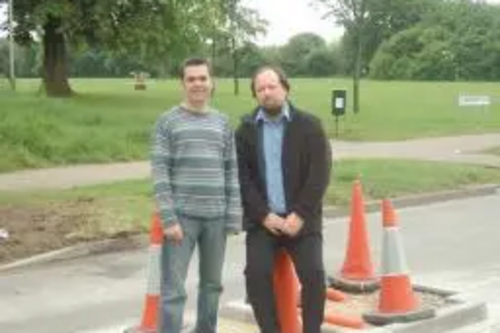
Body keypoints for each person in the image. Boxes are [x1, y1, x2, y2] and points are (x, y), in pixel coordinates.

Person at [235, 66, 332, 333]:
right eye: (260, 89)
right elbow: (243, 180)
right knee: (255, 274)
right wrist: (264, 216)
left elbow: (319, 174)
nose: (267, 93)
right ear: (255, 95)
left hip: (302, 221)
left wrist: (299, 214)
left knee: (314, 276)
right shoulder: (245, 130)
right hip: (264, 221)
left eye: (272, 86)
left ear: (285, 88)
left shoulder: (309, 126)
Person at [151, 57, 242, 333]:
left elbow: (231, 170)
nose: (198, 84)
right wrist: (168, 218)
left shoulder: (223, 123)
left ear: (211, 82)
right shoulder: (166, 122)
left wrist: (233, 216)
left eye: (203, 78)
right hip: (182, 219)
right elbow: (160, 173)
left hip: (216, 218)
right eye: (191, 79)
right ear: (182, 83)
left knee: (212, 286)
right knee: (173, 290)